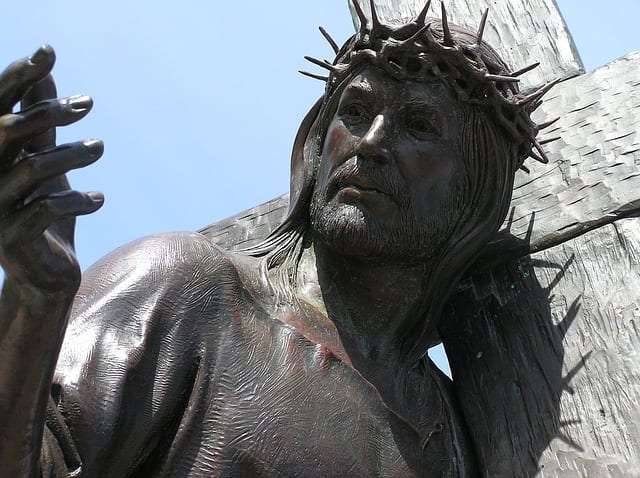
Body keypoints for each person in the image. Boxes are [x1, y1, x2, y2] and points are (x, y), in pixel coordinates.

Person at [0, 3, 552, 476]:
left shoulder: (463, 439)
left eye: (420, 125)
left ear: (477, 189)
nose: (371, 142)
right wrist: (33, 305)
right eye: (356, 111)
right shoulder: (187, 287)